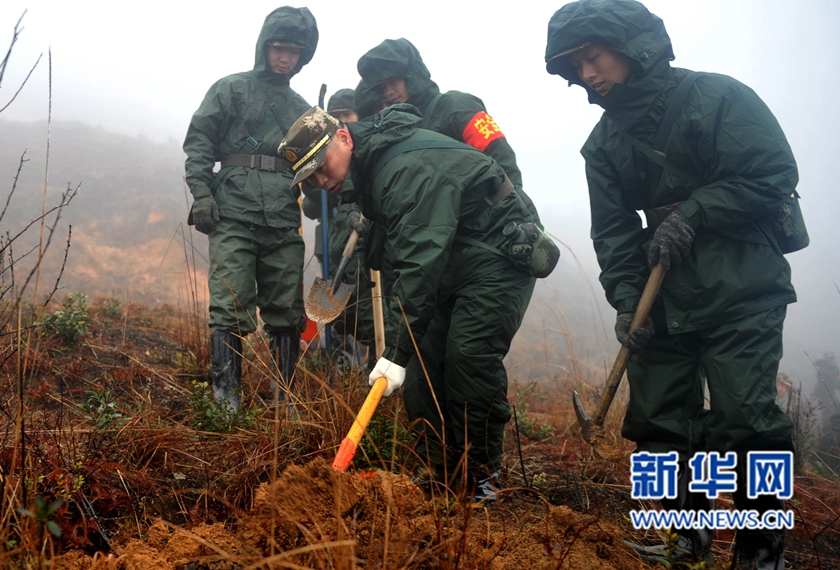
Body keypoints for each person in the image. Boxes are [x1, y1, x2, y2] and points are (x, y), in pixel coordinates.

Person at [545, 0, 800, 567]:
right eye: (575, 67)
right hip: (662, 300)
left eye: (593, 57)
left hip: (741, 286)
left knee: (746, 419)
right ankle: (683, 539)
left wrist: (697, 209)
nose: (587, 75)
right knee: (660, 419)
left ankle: (762, 549)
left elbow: (773, 173)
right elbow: (611, 233)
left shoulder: (716, 97)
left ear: (632, 46)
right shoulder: (602, 144)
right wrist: (628, 305)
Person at [277, 105, 544, 502]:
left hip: (498, 254)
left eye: (322, 164)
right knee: (423, 364)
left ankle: (482, 476)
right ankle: (438, 472)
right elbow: (405, 260)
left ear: (345, 138)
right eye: (310, 176)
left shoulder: (402, 169)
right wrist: (404, 351)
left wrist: (395, 351)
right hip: (452, 259)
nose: (321, 179)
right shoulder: (369, 172)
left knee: (468, 355)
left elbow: (419, 263)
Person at [183, 7, 318, 412]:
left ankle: (285, 403)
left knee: (287, 308)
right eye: (278, 48)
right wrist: (201, 194)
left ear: (302, 56)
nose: (285, 58)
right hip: (233, 212)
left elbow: (314, 170)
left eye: (294, 52)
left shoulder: (304, 110)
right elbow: (200, 141)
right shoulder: (230, 89)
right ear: (264, 47)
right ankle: (226, 404)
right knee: (229, 301)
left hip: (281, 216)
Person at [300, 88, 376, 365]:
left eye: (347, 114)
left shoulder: (360, 155)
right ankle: (334, 359)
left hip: (358, 244)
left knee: (366, 305)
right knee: (333, 309)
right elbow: (310, 209)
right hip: (330, 244)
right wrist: (313, 183)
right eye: (335, 116)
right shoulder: (323, 158)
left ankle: (372, 360)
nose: (342, 119)